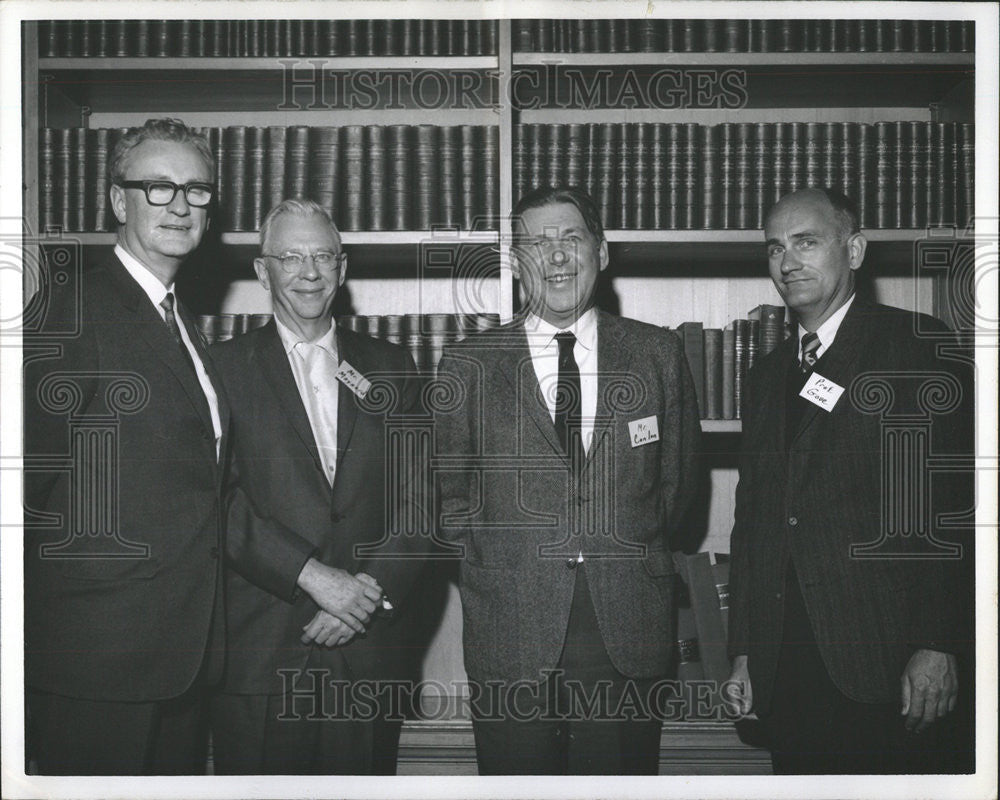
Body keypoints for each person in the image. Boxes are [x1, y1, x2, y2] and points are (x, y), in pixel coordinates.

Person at [433, 186, 701, 774]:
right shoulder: (468, 364)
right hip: (511, 627)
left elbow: (679, 492)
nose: (554, 256)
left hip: (627, 625)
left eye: (570, 239)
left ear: (601, 252)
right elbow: (449, 502)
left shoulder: (658, 354)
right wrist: (506, 564)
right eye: (535, 243)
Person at [725, 187, 974, 773]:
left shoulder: (914, 344)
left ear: (855, 250)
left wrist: (939, 643)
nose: (787, 263)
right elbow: (752, 524)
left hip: (890, 665)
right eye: (774, 248)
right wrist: (743, 651)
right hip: (786, 667)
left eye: (806, 243)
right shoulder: (765, 375)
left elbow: (955, 505)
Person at [23, 118, 227, 774]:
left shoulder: (182, 321)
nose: (179, 205)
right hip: (96, 662)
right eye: (158, 187)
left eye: (196, 191)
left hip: (178, 659)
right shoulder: (72, 310)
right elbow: (20, 486)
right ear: (118, 201)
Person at [208, 199, 429, 774]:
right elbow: (213, 503)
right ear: (262, 272)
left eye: (323, 256)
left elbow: (421, 499)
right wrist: (312, 576)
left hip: (369, 647)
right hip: (262, 655)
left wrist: (366, 593)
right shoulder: (217, 371)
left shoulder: (392, 366)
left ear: (343, 267)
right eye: (291, 257)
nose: (309, 272)